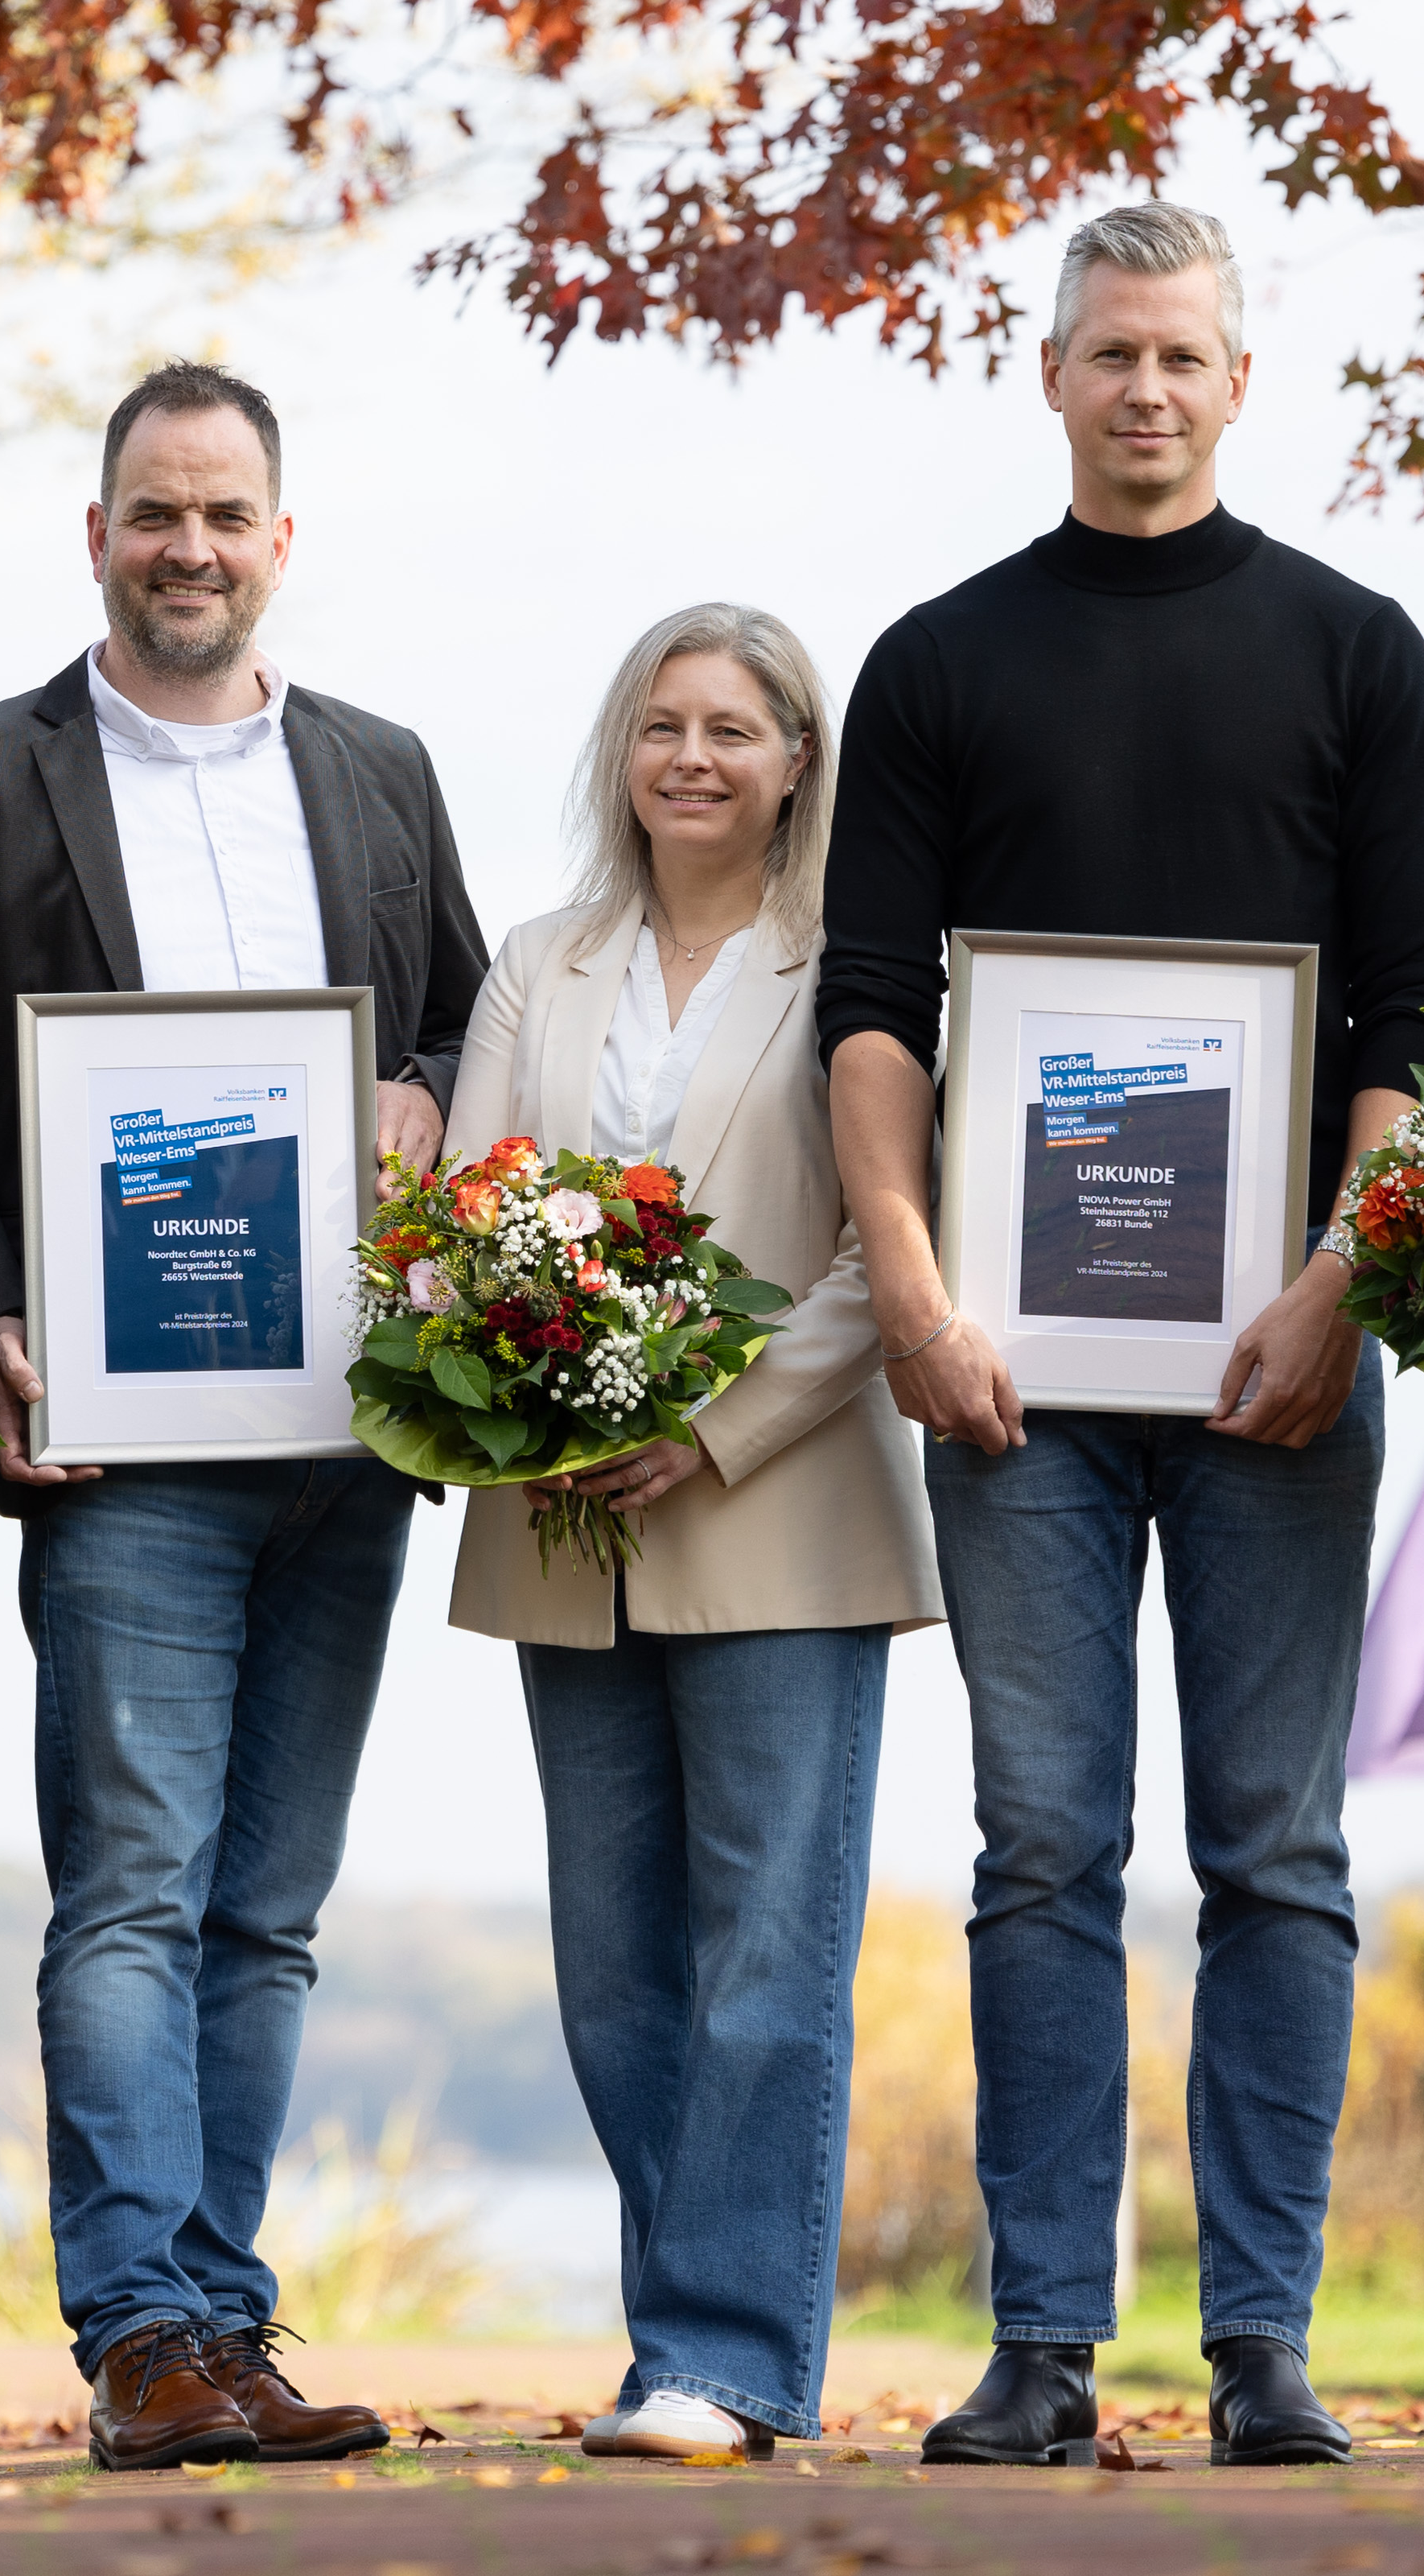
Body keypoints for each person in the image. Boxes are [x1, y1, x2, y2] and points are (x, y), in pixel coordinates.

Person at [818, 201, 1424, 2469]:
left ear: (1236, 381)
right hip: (1011, 1379)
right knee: (1040, 1851)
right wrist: (911, 1291)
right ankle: (1041, 2344)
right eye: (1110, 351)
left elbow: (1411, 1015)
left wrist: (1339, 1281)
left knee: (1275, 1849)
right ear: (1051, 373)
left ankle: (1266, 2343)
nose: (1146, 387)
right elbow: (871, 1012)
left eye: (1182, 353)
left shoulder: (1357, 654)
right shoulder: (938, 661)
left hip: (1281, 1358)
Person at [0, 360, 490, 2472]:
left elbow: (461, 1021)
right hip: (120, 1444)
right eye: (156, 511)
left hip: (344, 1430)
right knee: (132, 1886)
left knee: (269, 1907)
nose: (190, 547)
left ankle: (227, 2322)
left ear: (281, 540)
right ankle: (137, 2327)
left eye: (227, 513)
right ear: (98, 535)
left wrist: (424, 1096)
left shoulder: (383, 771)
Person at [442, 605, 940, 2462]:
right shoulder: (537, 962)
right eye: (662, 724)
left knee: (764, 1959)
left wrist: (707, 1418)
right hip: (562, 1515)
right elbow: (465, 1215)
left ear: (798, 759)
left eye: (734, 727)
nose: (693, 757)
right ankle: (687, 2343)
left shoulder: (860, 967)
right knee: (614, 1971)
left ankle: (722, 2357)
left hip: (781, 1509)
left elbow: (884, 1249)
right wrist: (523, 1387)